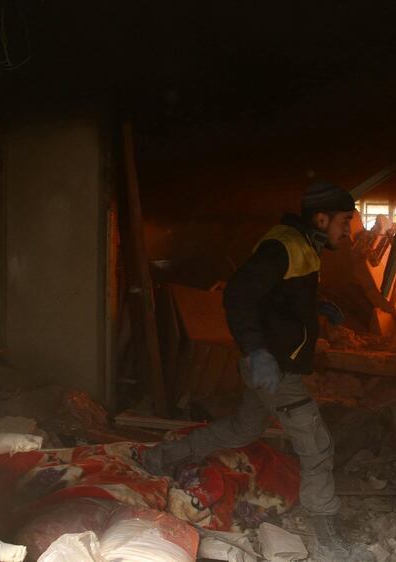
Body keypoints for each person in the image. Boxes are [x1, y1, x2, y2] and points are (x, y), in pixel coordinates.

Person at [141, 181, 355, 561]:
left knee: (245, 428)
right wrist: (257, 352)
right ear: (321, 218)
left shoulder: (304, 246)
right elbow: (239, 294)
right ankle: (329, 539)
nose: (348, 229)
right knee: (317, 445)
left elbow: (278, 298)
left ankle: (161, 457)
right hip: (274, 368)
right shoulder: (283, 246)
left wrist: (316, 308)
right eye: (344, 221)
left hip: (271, 364)